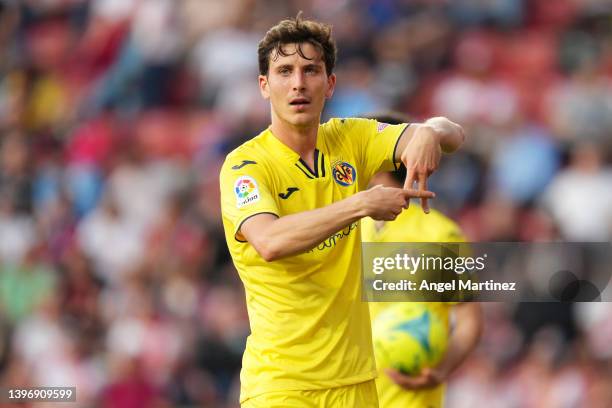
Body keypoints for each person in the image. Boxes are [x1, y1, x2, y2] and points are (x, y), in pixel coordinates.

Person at [219, 14, 465, 407]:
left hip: (356, 383)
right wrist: (360, 204)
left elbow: (453, 134)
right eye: (284, 71)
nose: (298, 83)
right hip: (282, 383)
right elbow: (269, 241)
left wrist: (429, 132)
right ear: (264, 86)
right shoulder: (245, 166)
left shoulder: (350, 139)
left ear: (330, 83)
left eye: (310, 70)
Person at [361, 112, 482, 408]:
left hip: (407, 399)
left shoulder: (440, 234)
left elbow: (468, 318)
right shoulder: (347, 225)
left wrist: (440, 370)